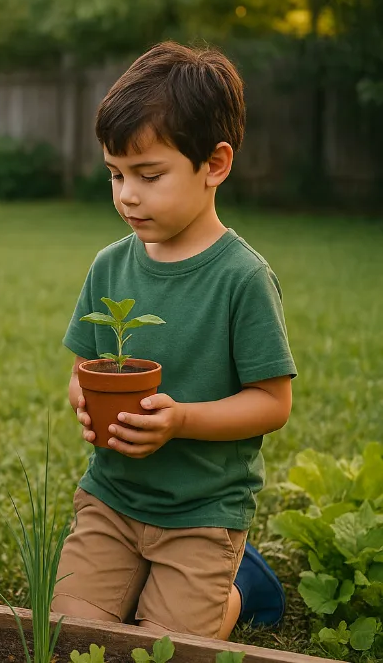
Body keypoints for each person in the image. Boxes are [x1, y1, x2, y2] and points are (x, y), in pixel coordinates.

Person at [52, 42, 296, 638]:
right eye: (115, 174)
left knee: (169, 645)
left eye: (149, 174)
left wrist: (180, 420)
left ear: (214, 165)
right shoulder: (110, 266)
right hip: (112, 498)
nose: (127, 194)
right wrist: (83, 398)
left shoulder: (242, 278)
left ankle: (239, 588)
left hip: (201, 512)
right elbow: (85, 367)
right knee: (74, 631)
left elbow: (272, 402)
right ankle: (166, 581)